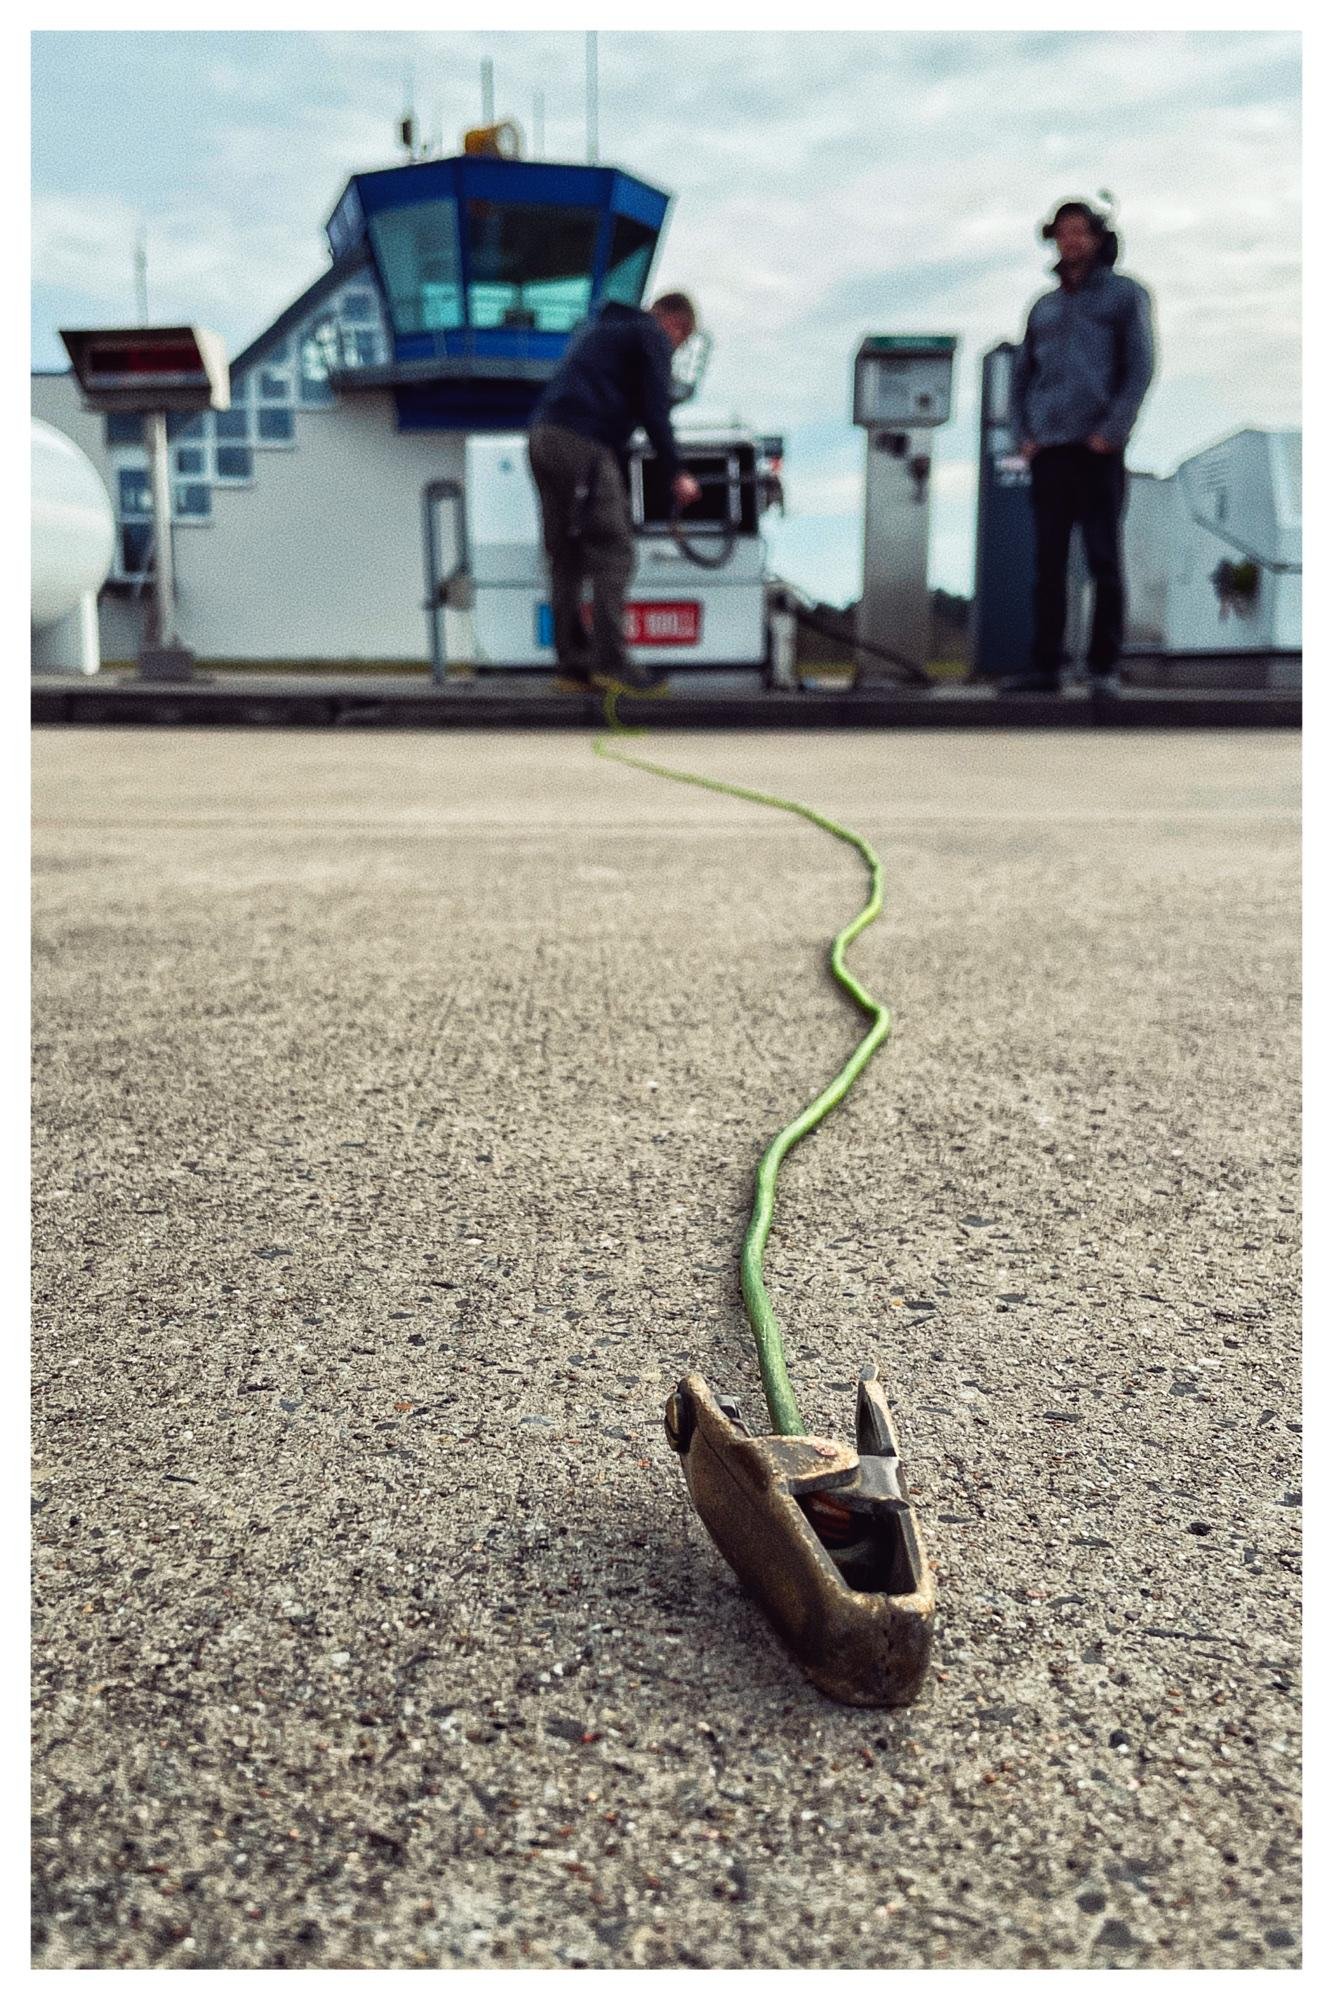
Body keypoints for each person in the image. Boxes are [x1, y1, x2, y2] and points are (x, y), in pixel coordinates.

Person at [1005, 199, 1155, 696]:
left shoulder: (1125, 296)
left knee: (1103, 560)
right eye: (1062, 232)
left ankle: (1103, 668)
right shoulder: (1043, 307)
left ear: (1097, 238)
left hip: (1098, 450)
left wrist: (1113, 430)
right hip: (1049, 450)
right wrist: (1023, 433)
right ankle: (1045, 666)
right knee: (1047, 563)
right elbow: (1022, 375)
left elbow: (1140, 367)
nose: (1071, 241)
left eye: (1080, 231)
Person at [528, 292, 702, 693]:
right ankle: (611, 663)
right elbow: (655, 408)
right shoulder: (650, 335)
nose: (678, 348)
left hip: (543, 436)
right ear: (675, 324)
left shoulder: (600, 330)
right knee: (614, 549)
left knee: (566, 554)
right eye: (683, 339)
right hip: (583, 442)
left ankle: (572, 666)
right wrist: (677, 472)